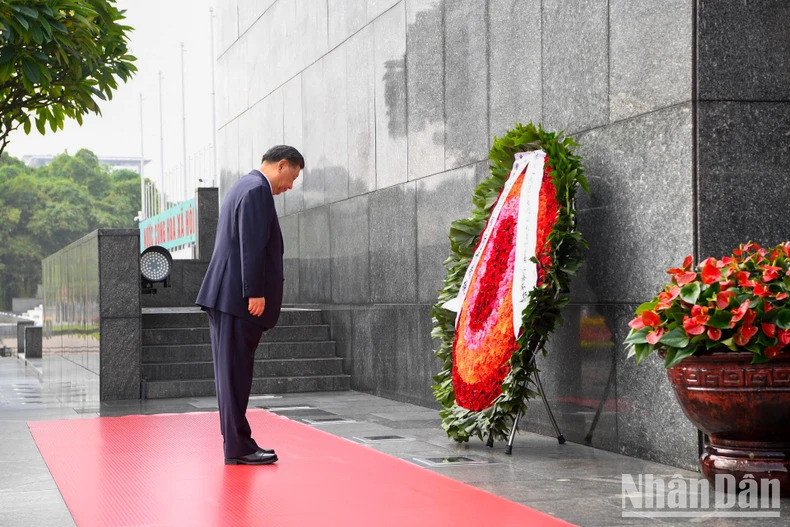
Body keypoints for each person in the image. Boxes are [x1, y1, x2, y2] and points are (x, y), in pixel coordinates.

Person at [196, 145, 304, 465]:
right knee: (235, 376)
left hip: (226, 297)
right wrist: (255, 291)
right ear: (282, 165)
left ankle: (238, 444)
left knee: (232, 376)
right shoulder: (258, 190)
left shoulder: (244, 185)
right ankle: (239, 447)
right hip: (236, 300)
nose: (290, 186)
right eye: (292, 177)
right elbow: (251, 245)